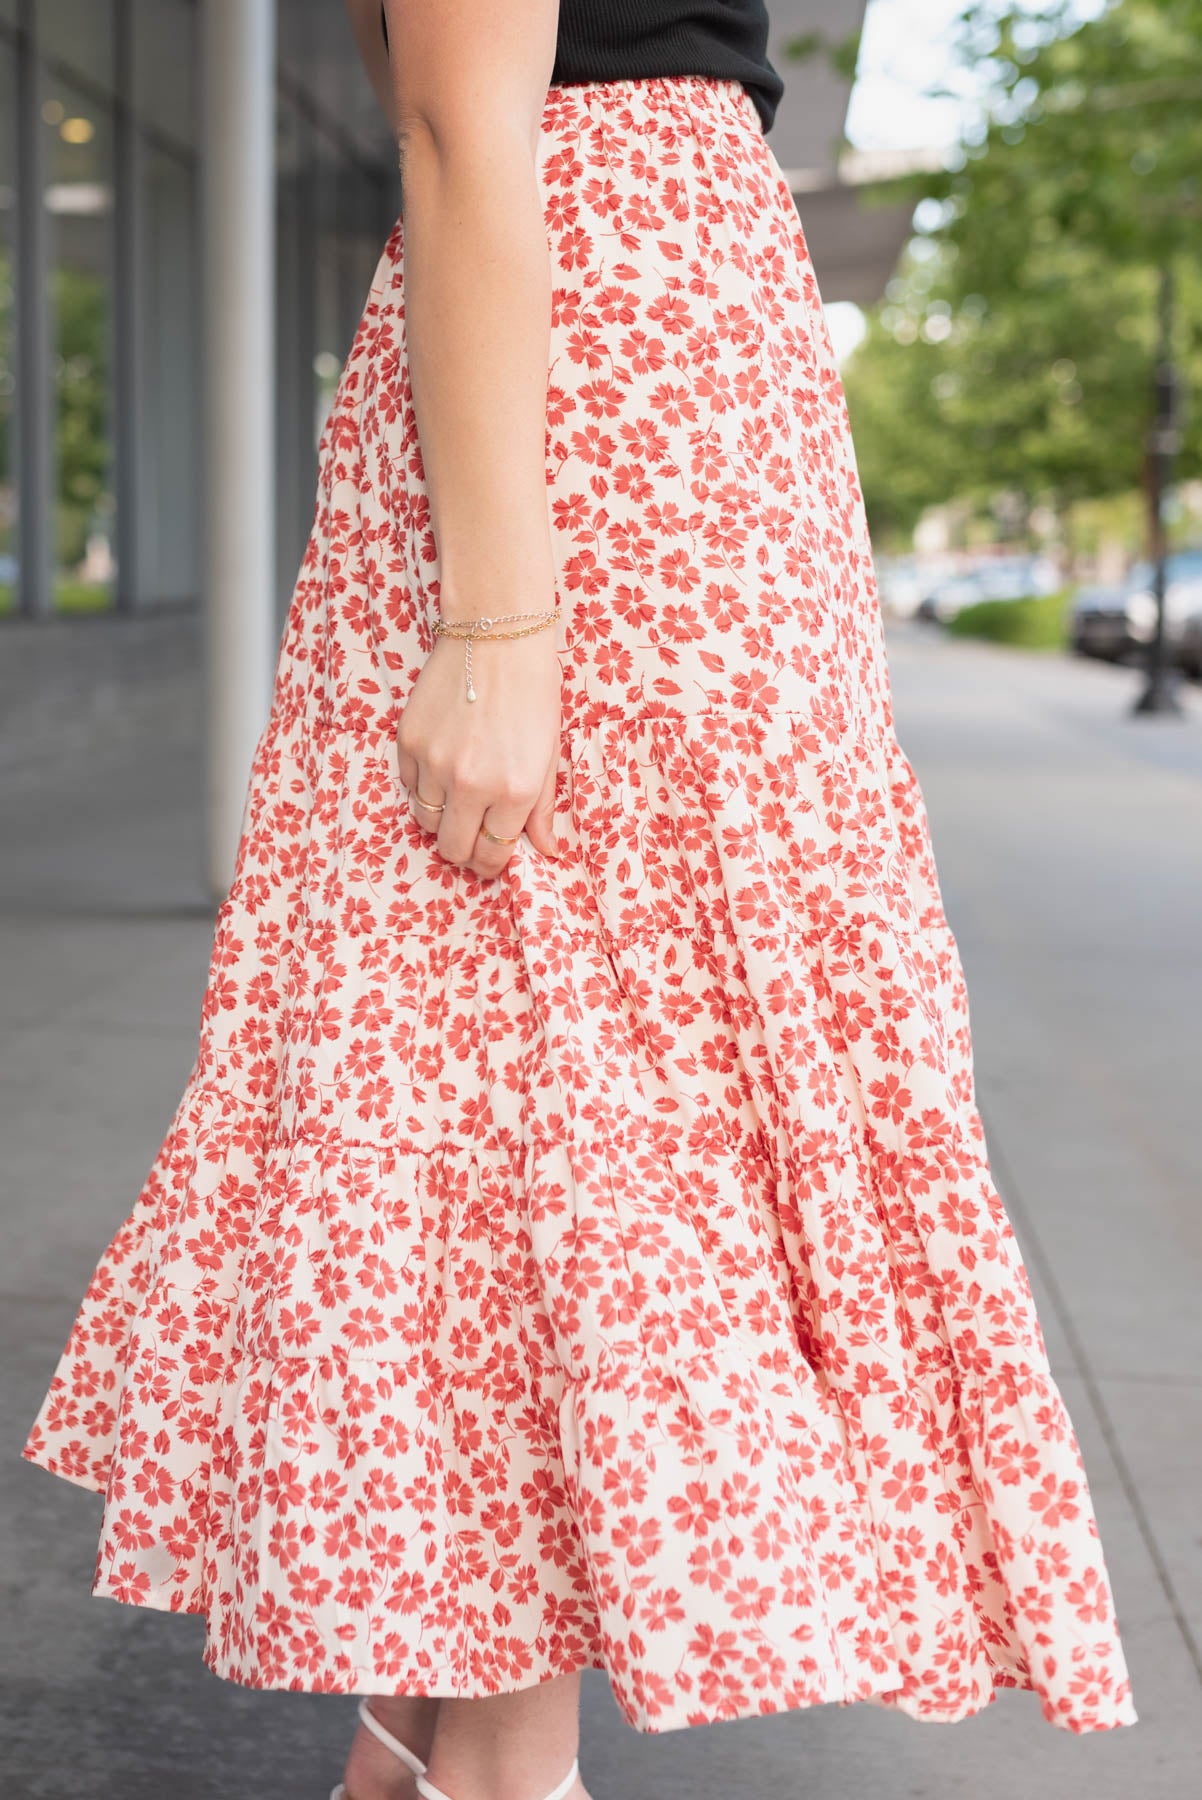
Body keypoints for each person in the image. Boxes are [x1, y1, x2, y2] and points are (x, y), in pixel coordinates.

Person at [24, 3, 1136, 1797]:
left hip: (664, 362)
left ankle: (464, 1721)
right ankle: (490, 1754)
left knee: (571, 1038)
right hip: (607, 383)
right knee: (565, 1033)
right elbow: (461, 122)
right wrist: (495, 625)